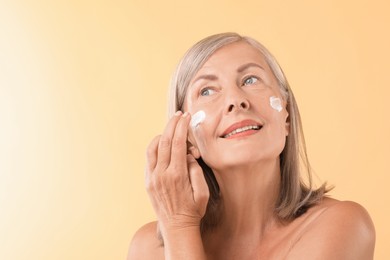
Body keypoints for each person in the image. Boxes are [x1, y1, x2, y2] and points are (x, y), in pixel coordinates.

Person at [127, 32, 375, 259]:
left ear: (285, 116)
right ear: (187, 135)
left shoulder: (342, 225)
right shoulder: (148, 248)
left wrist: (180, 227)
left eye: (250, 80)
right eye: (207, 91)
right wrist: (178, 225)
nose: (236, 100)